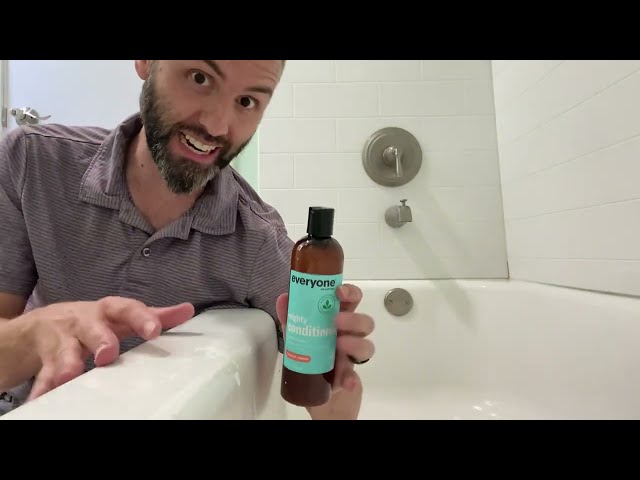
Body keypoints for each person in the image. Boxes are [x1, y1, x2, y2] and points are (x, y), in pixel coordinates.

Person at [0, 60, 375, 420]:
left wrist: (337, 365)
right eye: (199, 78)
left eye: (247, 101)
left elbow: (332, 413)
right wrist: (36, 332)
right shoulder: (33, 162)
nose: (216, 125)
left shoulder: (258, 243)